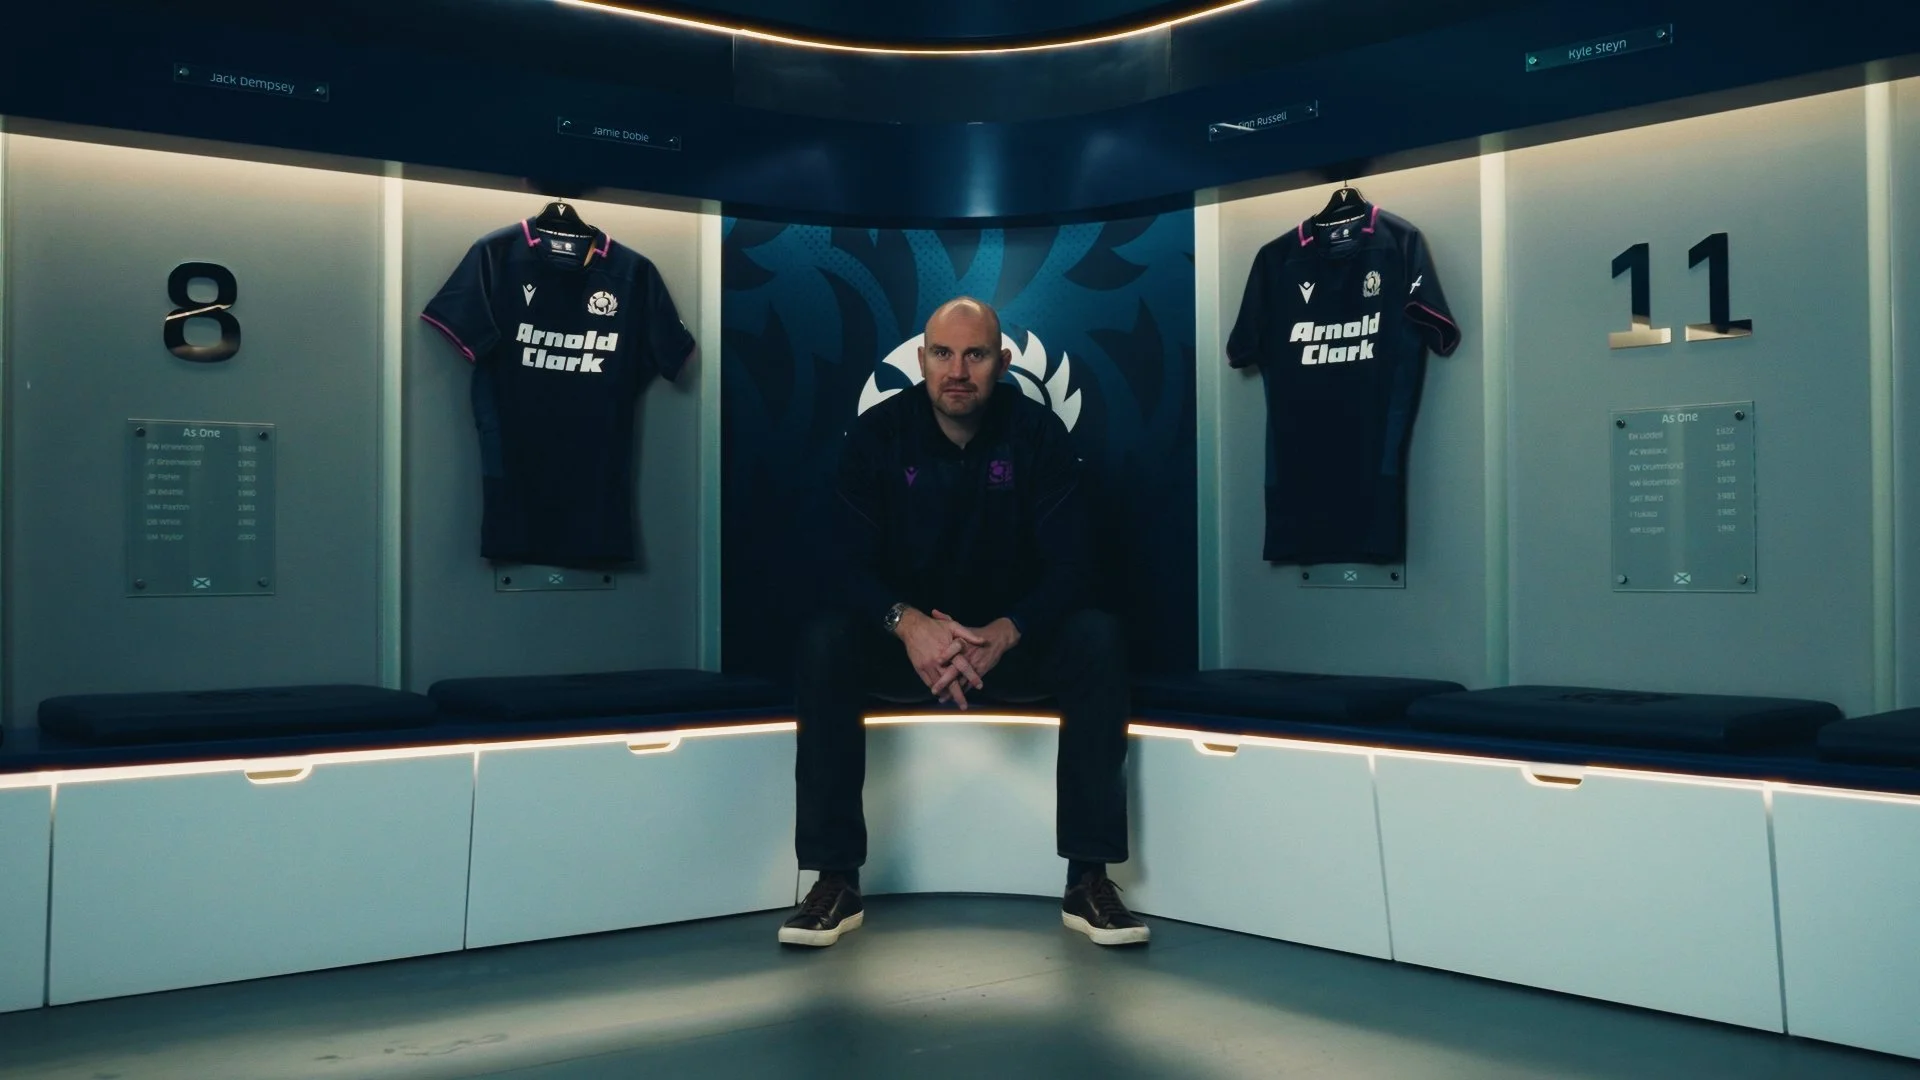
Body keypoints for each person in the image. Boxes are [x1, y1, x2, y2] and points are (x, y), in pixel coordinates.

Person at [780, 296, 1146, 948]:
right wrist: (908, 625)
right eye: (943, 354)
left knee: (1098, 637)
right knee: (825, 641)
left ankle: (1088, 877)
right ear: (920, 361)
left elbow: (1076, 564)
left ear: (1002, 363)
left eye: (975, 354)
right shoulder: (877, 435)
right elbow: (839, 562)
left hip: (1008, 651)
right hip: (907, 652)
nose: (958, 370)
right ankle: (835, 877)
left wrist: (1008, 630)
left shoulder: (1037, 434)